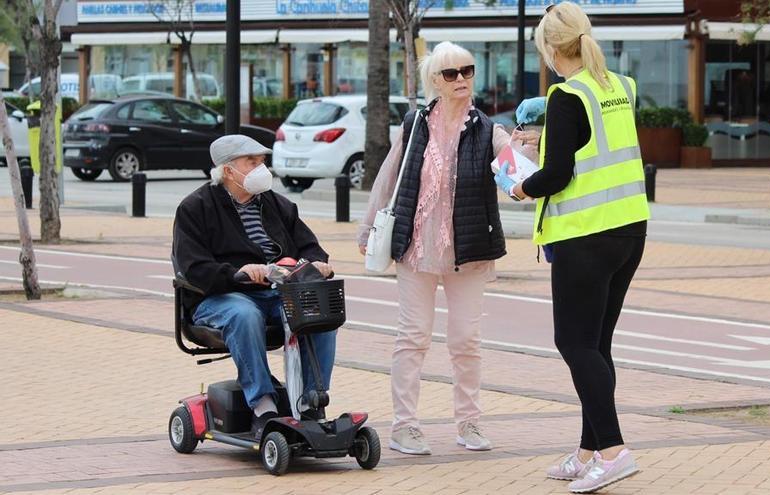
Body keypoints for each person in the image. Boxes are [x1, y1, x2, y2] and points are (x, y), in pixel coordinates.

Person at [497, 2, 649, 493]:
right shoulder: (621, 87)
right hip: (629, 229)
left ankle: (614, 451)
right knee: (597, 345)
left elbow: (558, 175)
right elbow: (592, 151)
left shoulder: (565, 95)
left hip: (585, 235)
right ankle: (589, 451)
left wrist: (519, 186)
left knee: (575, 344)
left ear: (548, 47)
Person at [357, 41, 536, 456]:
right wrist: (368, 226)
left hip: (469, 250)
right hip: (416, 247)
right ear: (434, 81)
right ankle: (404, 425)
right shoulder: (415, 124)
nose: (462, 80)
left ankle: (469, 423)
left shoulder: (489, 129)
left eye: (468, 71)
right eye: (451, 74)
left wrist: (529, 148)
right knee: (413, 337)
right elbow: (389, 176)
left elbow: (515, 178)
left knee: (466, 340)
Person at [172, 134, 336, 440]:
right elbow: (193, 268)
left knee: (319, 312)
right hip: (217, 296)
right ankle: (263, 406)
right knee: (244, 314)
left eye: (262, 162)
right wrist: (237, 274)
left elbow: (310, 247)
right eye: (252, 162)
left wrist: (316, 263)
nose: (262, 168)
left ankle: (312, 401)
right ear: (228, 170)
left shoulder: (278, 204)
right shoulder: (195, 208)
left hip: (275, 292)